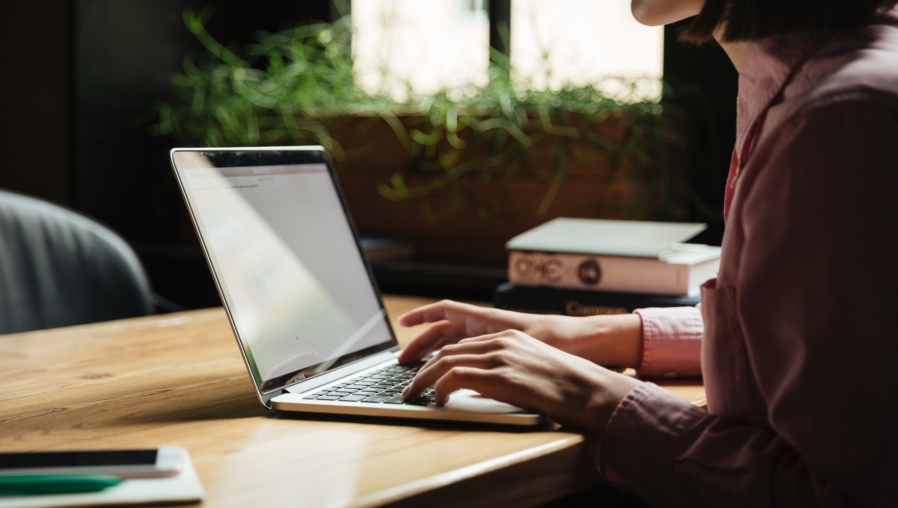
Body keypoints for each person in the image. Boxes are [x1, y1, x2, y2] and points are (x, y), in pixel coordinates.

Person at [399, 0, 898, 505]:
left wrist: (591, 395)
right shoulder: (835, 82)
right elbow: (838, 338)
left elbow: (842, 494)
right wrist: (591, 334)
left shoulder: (842, 120)